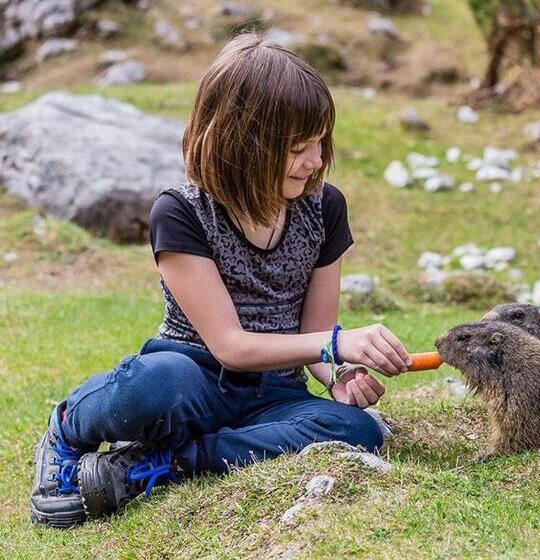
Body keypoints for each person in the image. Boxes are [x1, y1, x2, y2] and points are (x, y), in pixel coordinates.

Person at [30, 33, 411, 528]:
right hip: (192, 378)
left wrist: (338, 372)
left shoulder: (325, 207)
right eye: (298, 148)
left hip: (272, 392)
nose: (316, 161)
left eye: (320, 143)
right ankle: (67, 427)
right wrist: (336, 344)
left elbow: (316, 333)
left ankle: (168, 462)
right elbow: (230, 346)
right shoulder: (181, 212)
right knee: (153, 386)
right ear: (244, 144)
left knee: (356, 429)